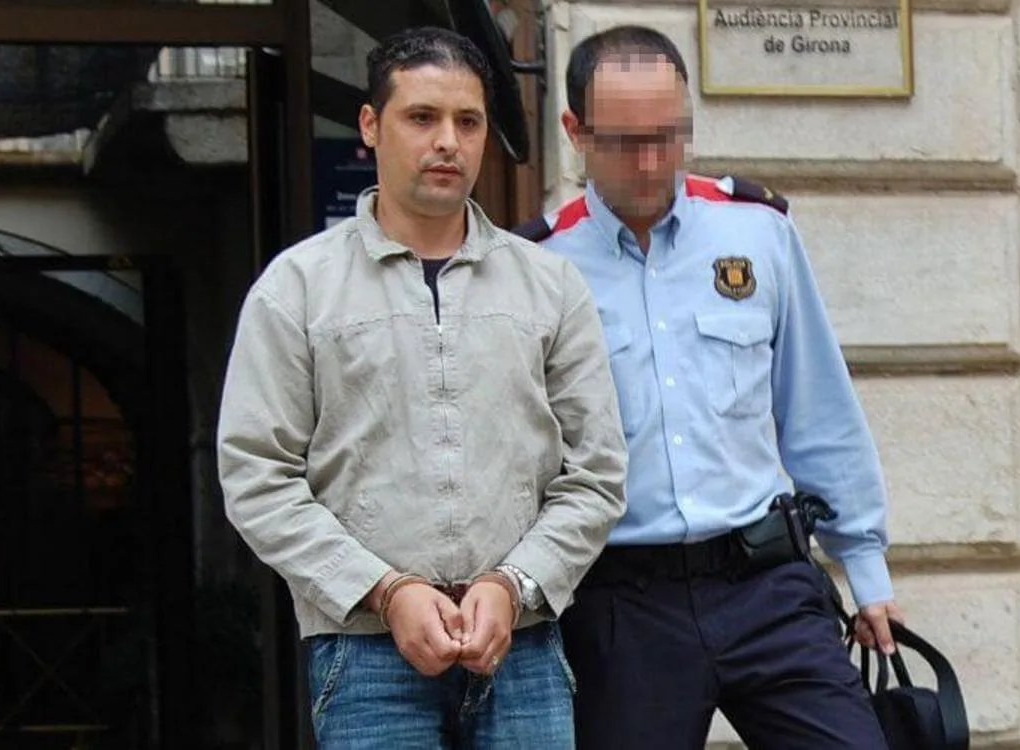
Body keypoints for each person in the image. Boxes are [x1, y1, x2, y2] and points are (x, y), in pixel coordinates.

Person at [216, 26, 628, 750]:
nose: (447, 142)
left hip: (523, 647)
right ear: (370, 125)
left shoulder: (550, 285)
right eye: (421, 117)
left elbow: (597, 473)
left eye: (468, 122)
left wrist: (514, 583)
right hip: (365, 654)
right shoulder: (298, 288)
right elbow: (256, 475)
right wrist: (385, 590)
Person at [513, 25, 904, 750]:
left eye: (669, 135)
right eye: (627, 141)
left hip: (767, 586)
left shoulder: (756, 234)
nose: (652, 162)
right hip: (623, 606)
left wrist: (866, 566)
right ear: (575, 132)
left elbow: (816, 407)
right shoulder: (538, 265)